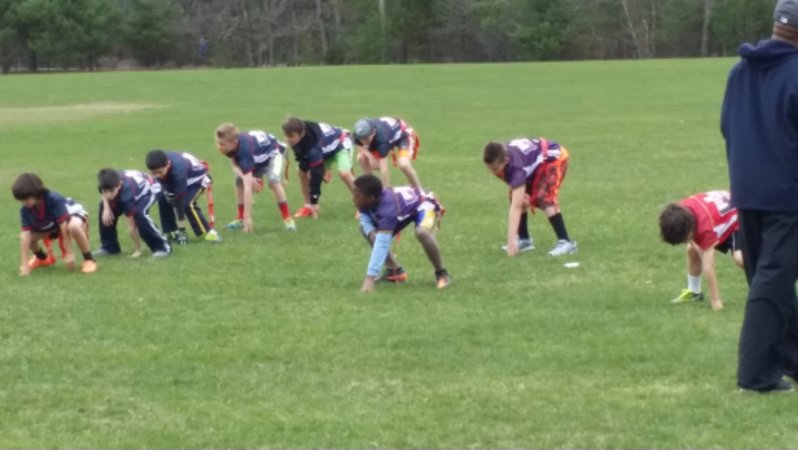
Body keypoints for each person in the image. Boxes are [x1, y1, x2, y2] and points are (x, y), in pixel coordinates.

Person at [721, 0, 798, 393]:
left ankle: (793, 359)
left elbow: (727, 125)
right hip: (788, 195)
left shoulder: (740, 71)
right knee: (773, 281)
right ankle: (756, 374)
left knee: (768, 279)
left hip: (748, 191)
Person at [353, 174, 449, 292]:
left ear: (370, 198)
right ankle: (395, 271)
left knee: (421, 232)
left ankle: (441, 273)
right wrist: (373, 235)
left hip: (424, 203)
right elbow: (365, 220)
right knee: (366, 229)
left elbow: (382, 244)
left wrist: (369, 279)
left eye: (357, 196)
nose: (353, 198)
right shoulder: (367, 200)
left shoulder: (387, 210)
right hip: (403, 209)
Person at [482, 137, 576, 257]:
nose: (492, 172)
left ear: (506, 161)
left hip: (553, 157)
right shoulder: (501, 155)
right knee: (516, 197)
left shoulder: (516, 168)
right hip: (536, 162)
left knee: (543, 197)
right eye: (489, 168)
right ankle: (524, 239)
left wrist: (511, 240)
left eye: (495, 169)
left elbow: (516, 207)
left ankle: (566, 242)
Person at [659, 191, 743, 311]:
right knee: (692, 248)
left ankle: (767, 283)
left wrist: (715, 300)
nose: (684, 242)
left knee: (740, 258)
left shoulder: (705, 229)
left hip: (739, 219)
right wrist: (696, 245)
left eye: (684, 239)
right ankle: (694, 292)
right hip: (720, 217)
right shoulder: (681, 211)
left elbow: (708, 267)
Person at [214, 123, 296, 232]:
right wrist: (246, 177)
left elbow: (247, 188)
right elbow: (234, 165)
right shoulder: (232, 144)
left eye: (222, 144)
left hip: (274, 153)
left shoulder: (244, 150)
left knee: (273, 181)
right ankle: (240, 218)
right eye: (218, 143)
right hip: (258, 157)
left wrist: (248, 217)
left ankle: (288, 219)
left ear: (234, 142)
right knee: (239, 181)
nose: (219, 147)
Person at [12, 173, 97, 275]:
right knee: (27, 237)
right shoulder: (26, 210)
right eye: (21, 200)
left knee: (73, 227)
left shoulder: (54, 199)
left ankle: (89, 259)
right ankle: (42, 259)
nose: (23, 203)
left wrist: (69, 253)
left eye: (26, 199)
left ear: (36, 193)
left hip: (72, 215)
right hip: (53, 225)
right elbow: (25, 235)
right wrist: (25, 265)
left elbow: (63, 226)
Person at [281, 117, 356, 218]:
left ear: (301, 134)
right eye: (286, 135)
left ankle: (365, 207)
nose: (287, 139)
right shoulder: (297, 134)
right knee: (301, 172)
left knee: (345, 174)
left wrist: (314, 201)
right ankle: (307, 206)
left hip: (341, 143)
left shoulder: (313, 146)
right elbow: (303, 161)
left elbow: (316, 175)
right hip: (325, 150)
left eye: (290, 136)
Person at [145, 149, 221, 244]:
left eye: (160, 172)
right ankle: (171, 231)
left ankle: (210, 233)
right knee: (162, 198)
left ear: (168, 165)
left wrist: (182, 230)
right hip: (177, 179)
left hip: (196, 180)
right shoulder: (161, 164)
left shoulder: (178, 172)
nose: (157, 176)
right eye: (154, 173)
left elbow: (179, 202)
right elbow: (161, 186)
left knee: (187, 204)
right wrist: (166, 193)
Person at [95, 168, 171, 258]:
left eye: (111, 191)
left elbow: (131, 227)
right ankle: (109, 247)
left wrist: (138, 250)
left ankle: (163, 247)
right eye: (105, 191)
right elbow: (103, 192)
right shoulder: (107, 181)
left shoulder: (126, 196)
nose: (108, 195)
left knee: (139, 214)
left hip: (151, 189)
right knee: (103, 208)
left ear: (119, 185)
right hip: (132, 189)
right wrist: (106, 208)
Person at [353, 117, 422, 189]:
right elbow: (359, 144)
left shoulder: (382, 139)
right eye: (361, 138)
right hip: (386, 136)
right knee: (362, 158)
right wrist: (370, 157)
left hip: (403, 135)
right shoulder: (359, 134)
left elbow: (384, 168)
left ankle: (418, 189)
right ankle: (370, 188)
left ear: (373, 132)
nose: (364, 142)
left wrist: (386, 190)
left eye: (366, 138)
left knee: (404, 164)